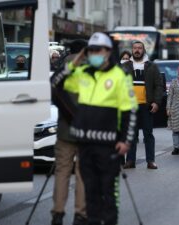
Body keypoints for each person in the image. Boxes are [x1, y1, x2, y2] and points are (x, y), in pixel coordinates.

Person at [51, 32, 137, 225]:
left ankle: (99, 219)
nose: (95, 54)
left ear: (108, 52)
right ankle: (86, 218)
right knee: (90, 192)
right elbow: (54, 85)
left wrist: (125, 140)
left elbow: (129, 110)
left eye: (99, 50)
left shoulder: (120, 76)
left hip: (107, 145)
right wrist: (73, 65)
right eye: (92, 50)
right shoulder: (82, 73)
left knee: (107, 193)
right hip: (84, 142)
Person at [50, 41, 87, 225]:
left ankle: (58, 213)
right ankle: (80, 214)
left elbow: (53, 90)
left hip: (65, 129)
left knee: (62, 172)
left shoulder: (64, 68)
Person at [122, 41, 163, 169]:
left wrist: (156, 102)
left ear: (144, 50)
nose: (137, 50)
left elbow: (159, 85)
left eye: (140, 48)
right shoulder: (125, 66)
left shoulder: (152, 66)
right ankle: (130, 161)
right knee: (131, 135)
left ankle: (150, 161)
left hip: (146, 105)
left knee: (148, 134)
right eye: (135, 48)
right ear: (132, 50)